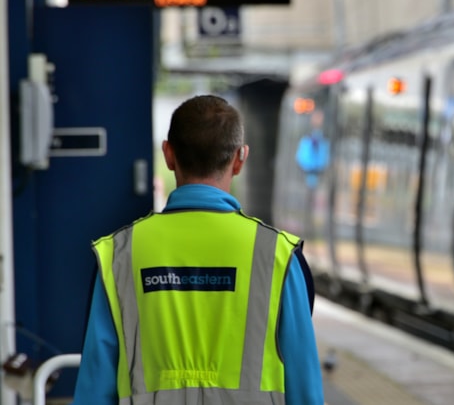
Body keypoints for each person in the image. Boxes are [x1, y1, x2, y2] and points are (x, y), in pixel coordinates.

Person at [71, 95, 324, 404]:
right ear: (240, 159)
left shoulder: (118, 255)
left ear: (168, 154)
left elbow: (94, 389)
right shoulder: (278, 257)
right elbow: (305, 389)